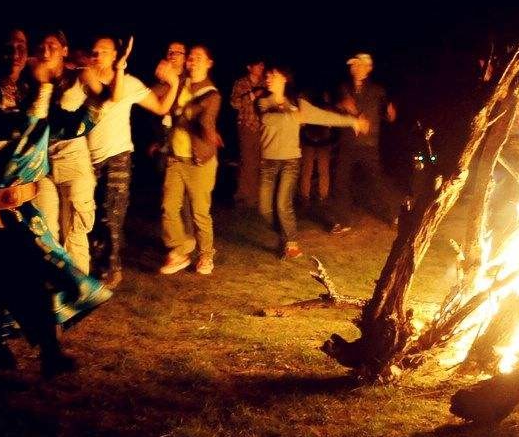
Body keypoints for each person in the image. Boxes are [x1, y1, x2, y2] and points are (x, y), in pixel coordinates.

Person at [0, 51, 112, 377]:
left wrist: (98, 91)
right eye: (9, 46)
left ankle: (47, 352)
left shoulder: (36, 100)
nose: (16, 53)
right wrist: (44, 88)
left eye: (21, 46)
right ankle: (1, 351)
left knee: (33, 279)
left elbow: (73, 125)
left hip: (26, 212)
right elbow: (18, 131)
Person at [255, 64, 369, 258]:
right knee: (265, 208)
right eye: (267, 75)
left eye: (273, 74)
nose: (268, 77)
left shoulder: (298, 104)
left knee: (283, 204)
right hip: (268, 162)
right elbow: (268, 120)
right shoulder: (262, 101)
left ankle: (291, 243)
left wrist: (353, 122)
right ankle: (284, 235)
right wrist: (291, 115)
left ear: (284, 78)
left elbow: (324, 116)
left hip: (290, 161)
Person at [83, 35, 166, 288]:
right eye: (94, 51)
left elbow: (160, 108)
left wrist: (173, 84)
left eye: (104, 51)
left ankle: (111, 268)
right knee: (93, 216)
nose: (97, 56)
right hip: (88, 157)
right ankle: (98, 263)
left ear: (116, 56)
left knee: (112, 213)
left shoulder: (128, 83)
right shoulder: (85, 79)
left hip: (118, 154)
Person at [24, 30, 97, 273]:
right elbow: (32, 122)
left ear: (65, 51)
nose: (46, 52)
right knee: (45, 230)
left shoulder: (80, 76)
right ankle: (55, 293)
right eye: (42, 46)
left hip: (73, 161)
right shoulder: (31, 80)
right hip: (42, 164)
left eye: (53, 46)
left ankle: (79, 295)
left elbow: (106, 99)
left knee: (75, 229)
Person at [151, 44, 223, 275]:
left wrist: (207, 131)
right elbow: (154, 96)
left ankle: (205, 255)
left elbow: (204, 121)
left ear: (209, 63)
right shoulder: (181, 83)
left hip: (199, 161)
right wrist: (165, 78)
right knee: (169, 207)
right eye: (191, 57)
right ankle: (179, 250)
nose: (193, 61)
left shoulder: (211, 94)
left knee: (200, 212)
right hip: (176, 158)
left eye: (199, 58)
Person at [328, 51, 398, 232]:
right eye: (353, 65)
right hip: (347, 142)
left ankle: (395, 214)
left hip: (368, 144)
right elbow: (334, 107)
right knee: (340, 181)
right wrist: (341, 105)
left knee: (376, 181)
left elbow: (386, 114)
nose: (355, 68)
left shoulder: (377, 90)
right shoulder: (343, 88)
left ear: (368, 68)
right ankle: (343, 221)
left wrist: (391, 115)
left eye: (359, 65)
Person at [230, 58, 268, 208]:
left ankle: (257, 196)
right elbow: (235, 103)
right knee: (247, 162)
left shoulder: (265, 83)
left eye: (262, 65)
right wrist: (252, 95)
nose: (261, 67)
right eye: (258, 65)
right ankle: (244, 196)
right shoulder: (241, 83)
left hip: (263, 128)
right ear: (249, 67)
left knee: (260, 162)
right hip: (247, 126)